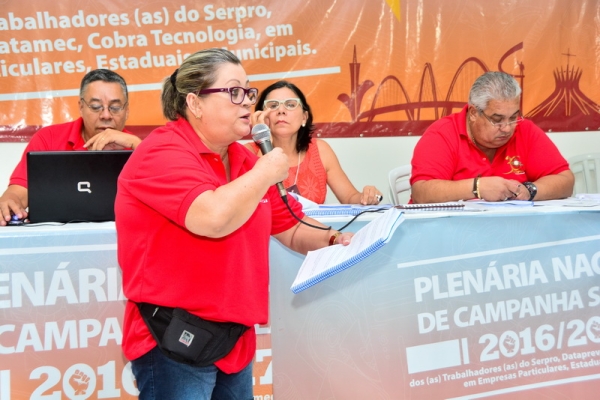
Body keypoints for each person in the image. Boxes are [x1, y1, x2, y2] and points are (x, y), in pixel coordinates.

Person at [115, 48, 354, 400]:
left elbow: (290, 227)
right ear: (195, 103)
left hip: (232, 340)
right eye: (234, 92)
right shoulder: (161, 152)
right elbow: (212, 218)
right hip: (174, 338)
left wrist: (336, 239)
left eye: (248, 91)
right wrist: (265, 172)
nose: (248, 102)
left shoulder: (243, 159)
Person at [0, 68, 140, 225]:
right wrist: (9, 201)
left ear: (127, 110)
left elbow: (160, 195)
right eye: (95, 106)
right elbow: (19, 191)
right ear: (81, 107)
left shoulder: (139, 146)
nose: (106, 115)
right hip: (55, 236)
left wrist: (139, 147)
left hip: (119, 236)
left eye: (115, 107)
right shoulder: (49, 138)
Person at [410, 71, 574, 203]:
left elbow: (565, 180)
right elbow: (422, 193)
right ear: (474, 113)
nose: (507, 128)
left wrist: (530, 190)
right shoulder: (442, 134)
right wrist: (477, 187)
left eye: (513, 117)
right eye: (497, 120)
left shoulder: (525, 130)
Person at [245, 80, 383, 205]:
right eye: (273, 105)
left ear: (304, 117)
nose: (281, 110)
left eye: (291, 105)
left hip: (314, 226)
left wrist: (366, 197)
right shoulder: (247, 153)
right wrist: (263, 138)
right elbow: (250, 204)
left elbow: (349, 197)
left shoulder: (320, 150)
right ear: (260, 116)